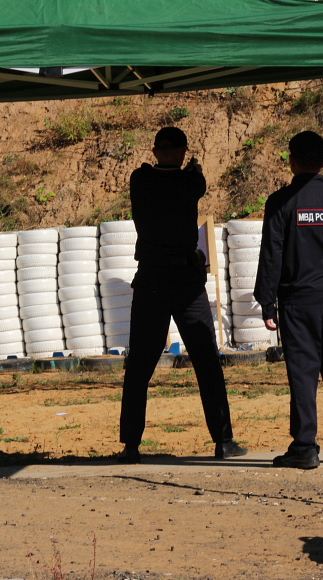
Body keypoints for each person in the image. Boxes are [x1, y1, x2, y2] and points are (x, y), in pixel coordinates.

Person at [118, 127, 247, 464]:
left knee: (139, 365)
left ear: (156, 152)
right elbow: (196, 184)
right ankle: (223, 441)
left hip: (151, 279)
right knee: (206, 361)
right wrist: (194, 169)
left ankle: (131, 445)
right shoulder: (191, 182)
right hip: (186, 281)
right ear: (182, 152)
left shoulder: (140, 180)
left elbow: (156, 178)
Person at [254, 130, 323, 469]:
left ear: (291, 162)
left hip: (298, 302)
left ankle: (305, 447)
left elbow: (272, 254)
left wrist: (267, 301)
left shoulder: (282, 202)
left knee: (303, 374)